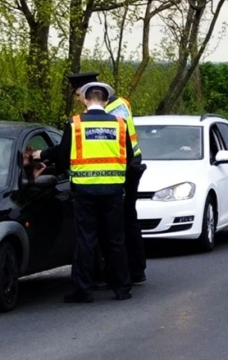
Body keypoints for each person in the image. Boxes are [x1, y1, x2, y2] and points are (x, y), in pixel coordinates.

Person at [35, 81, 134, 303]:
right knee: (115, 240)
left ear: (86, 100)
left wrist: (45, 161)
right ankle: (122, 289)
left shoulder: (75, 124)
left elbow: (62, 156)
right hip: (113, 191)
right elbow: (128, 156)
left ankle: (83, 290)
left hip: (85, 191)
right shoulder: (120, 124)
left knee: (86, 240)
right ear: (106, 101)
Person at [66, 72, 148, 284]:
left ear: (87, 92)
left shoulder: (110, 111)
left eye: (78, 94)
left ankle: (132, 271)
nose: (78, 100)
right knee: (123, 222)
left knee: (123, 222)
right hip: (125, 165)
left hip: (125, 168)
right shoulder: (119, 104)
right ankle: (128, 273)